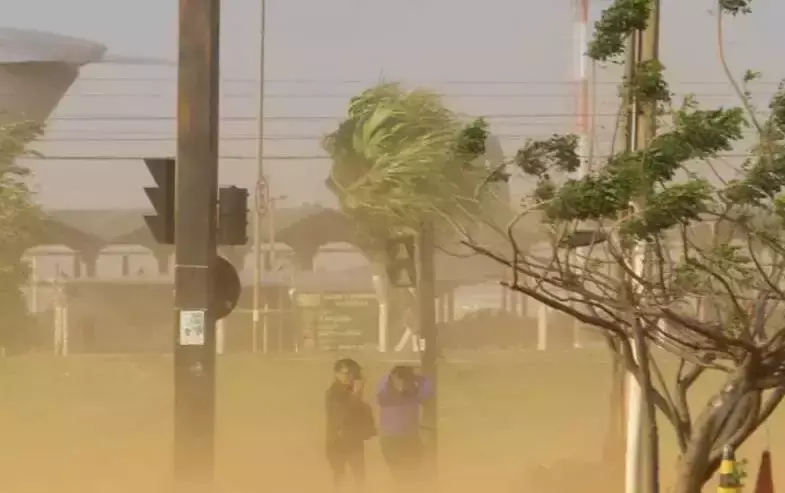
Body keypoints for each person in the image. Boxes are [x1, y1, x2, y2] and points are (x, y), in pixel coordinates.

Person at [376, 365, 433, 485]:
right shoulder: (385, 396)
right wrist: (392, 376)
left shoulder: (414, 395)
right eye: (398, 379)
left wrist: (417, 378)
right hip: (391, 441)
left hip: (410, 439)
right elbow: (382, 383)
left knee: (414, 474)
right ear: (392, 380)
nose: (402, 383)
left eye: (405, 379)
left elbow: (428, 388)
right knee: (401, 475)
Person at [325, 358, 376, 490]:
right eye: (345, 373)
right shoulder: (333, 394)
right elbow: (343, 414)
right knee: (341, 475)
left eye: (352, 374)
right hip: (337, 442)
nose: (349, 377)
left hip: (354, 441)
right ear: (337, 374)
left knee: (359, 477)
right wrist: (355, 393)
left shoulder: (352, 392)